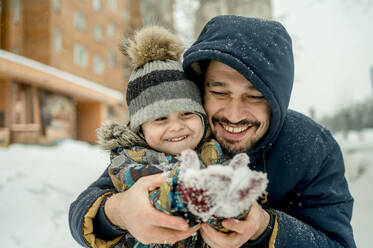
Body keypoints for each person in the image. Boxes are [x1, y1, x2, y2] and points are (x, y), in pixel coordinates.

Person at [69, 15, 356, 248]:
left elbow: (337, 243)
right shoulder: (182, 137)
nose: (233, 114)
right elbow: (85, 207)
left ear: (277, 98)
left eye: (255, 96)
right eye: (219, 91)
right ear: (199, 89)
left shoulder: (312, 148)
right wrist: (120, 212)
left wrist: (264, 228)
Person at [96, 25, 267, 248]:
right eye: (160, 119)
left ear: (203, 118)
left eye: (187, 114)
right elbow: (158, 200)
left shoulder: (214, 150)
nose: (176, 127)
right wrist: (194, 193)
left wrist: (236, 204)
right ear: (141, 130)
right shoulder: (130, 161)